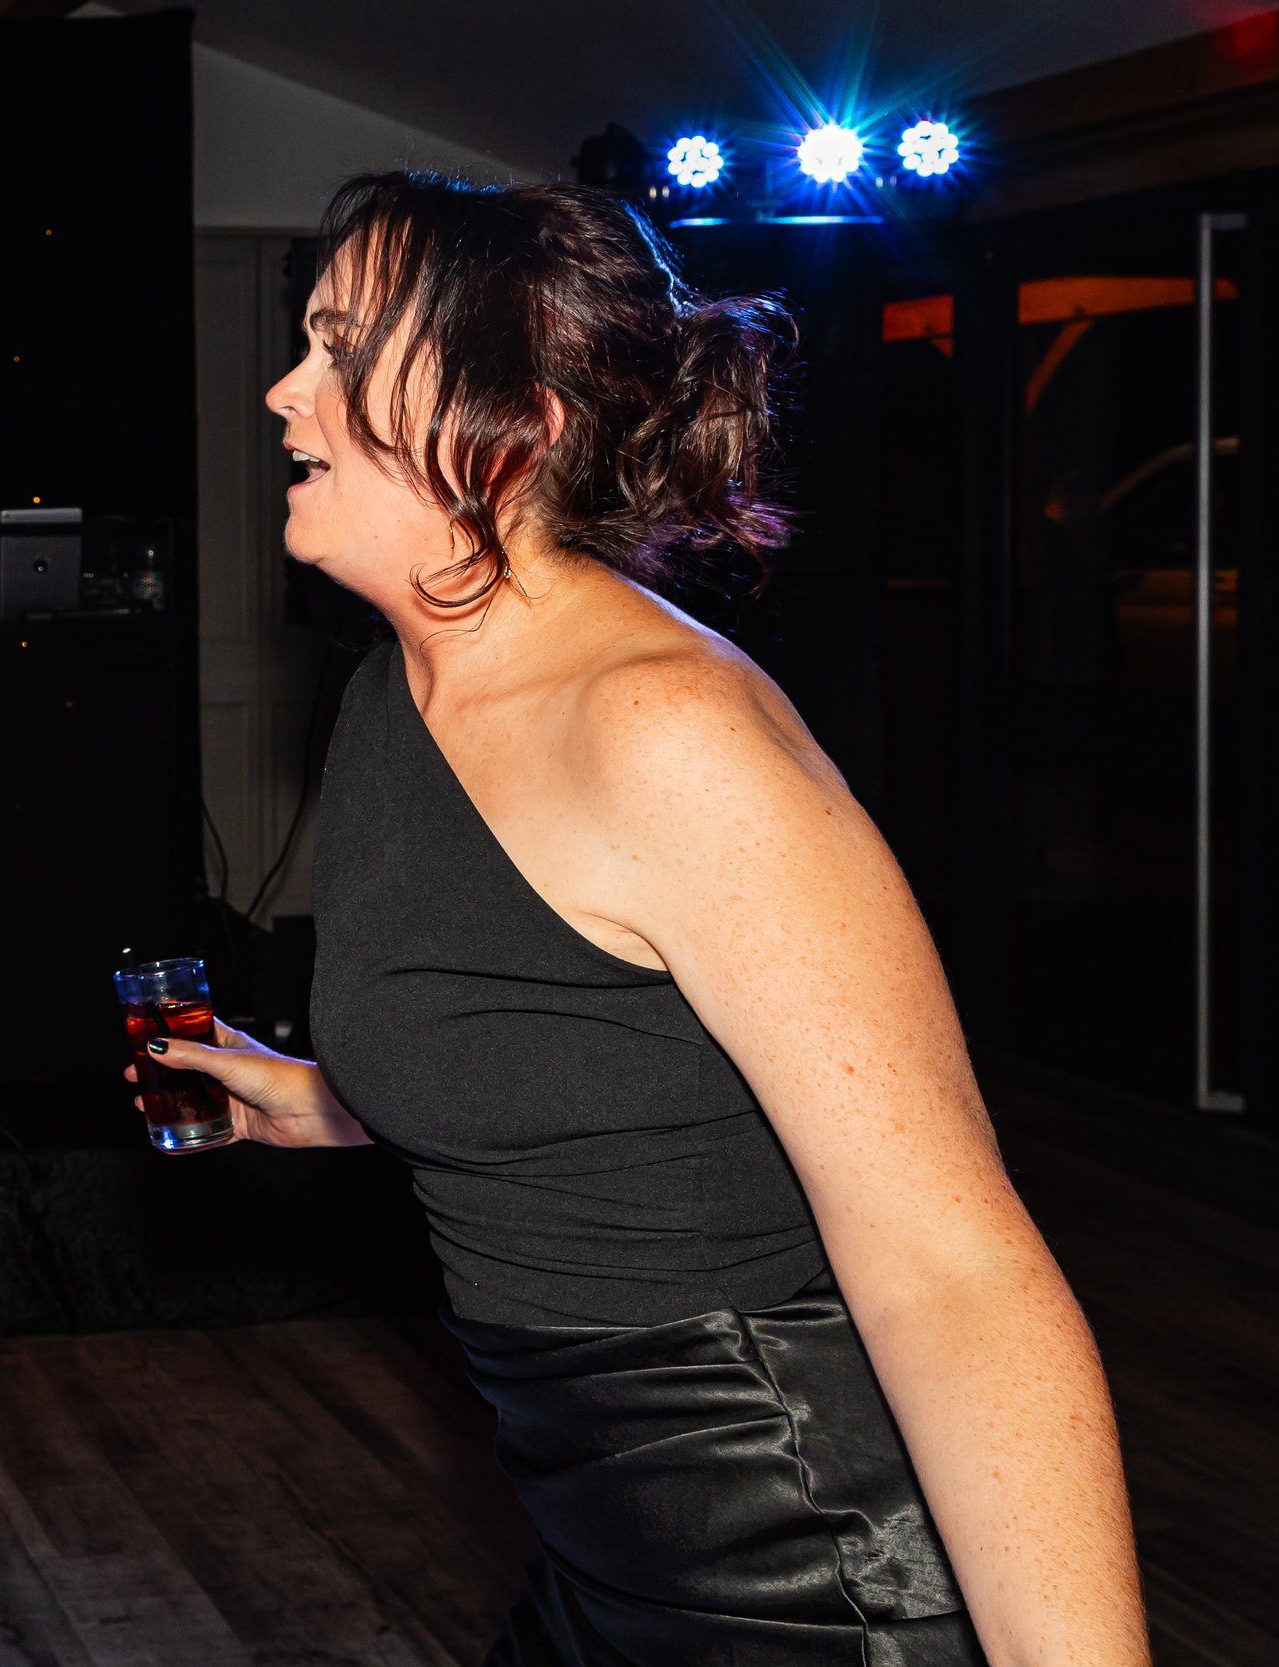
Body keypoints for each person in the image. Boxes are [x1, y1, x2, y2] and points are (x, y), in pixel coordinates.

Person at [144, 173, 1148, 1667]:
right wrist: (332, 1101)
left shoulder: (665, 729)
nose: (288, 388)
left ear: (518, 425)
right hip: (601, 1559)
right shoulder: (391, 693)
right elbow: (588, 1053)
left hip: (804, 1568)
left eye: (344, 349)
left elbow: (958, 1270)